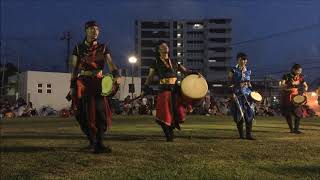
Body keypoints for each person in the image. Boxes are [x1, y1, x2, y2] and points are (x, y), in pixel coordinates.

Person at [69, 20, 120, 153]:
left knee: (100, 112)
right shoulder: (78, 47)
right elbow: (74, 68)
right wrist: (72, 85)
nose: (94, 31)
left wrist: (117, 75)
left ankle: (100, 143)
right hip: (83, 83)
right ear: (86, 31)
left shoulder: (103, 47)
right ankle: (93, 141)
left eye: (97, 29)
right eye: (91, 29)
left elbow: (110, 62)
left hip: (99, 83)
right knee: (82, 114)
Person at [142, 41, 194, 142]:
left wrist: (195, 73)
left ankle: (171, 132)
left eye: (166, 45)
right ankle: (168, 135)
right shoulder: (156, 62)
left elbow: (186, 71)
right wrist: (145, 88)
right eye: (162, 46)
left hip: (175, 90)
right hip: (164, 90)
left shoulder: (173, 61)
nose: (165, 47)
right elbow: (150, 77)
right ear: (159, 50)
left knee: (176, 112)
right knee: (165, 114)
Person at [228, 52, 256, 140]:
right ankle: (241, 135)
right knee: (239, 114)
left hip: (247, 95)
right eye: (241, 59)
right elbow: (229, 83)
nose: (243, 61)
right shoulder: (233, 70)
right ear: (237, 60)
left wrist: (253, 91)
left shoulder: (248, 71)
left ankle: (248, 134)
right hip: (237, 95)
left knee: (250, 113)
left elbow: (249, 83)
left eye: (245, 59)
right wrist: (232, 91)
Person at [279, 64, 308, 134]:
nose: (299, 72)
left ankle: (296, 129)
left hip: (296, 97)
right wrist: (289, 85)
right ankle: (291, 129)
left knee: (298, 113)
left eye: (300, 71)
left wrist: (303, 90)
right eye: (298, 71)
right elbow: (281, 85)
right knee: (288, 114)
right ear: (293, 70)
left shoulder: (300, 77)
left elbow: (306, 86)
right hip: (287, 97)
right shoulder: (286, 76)